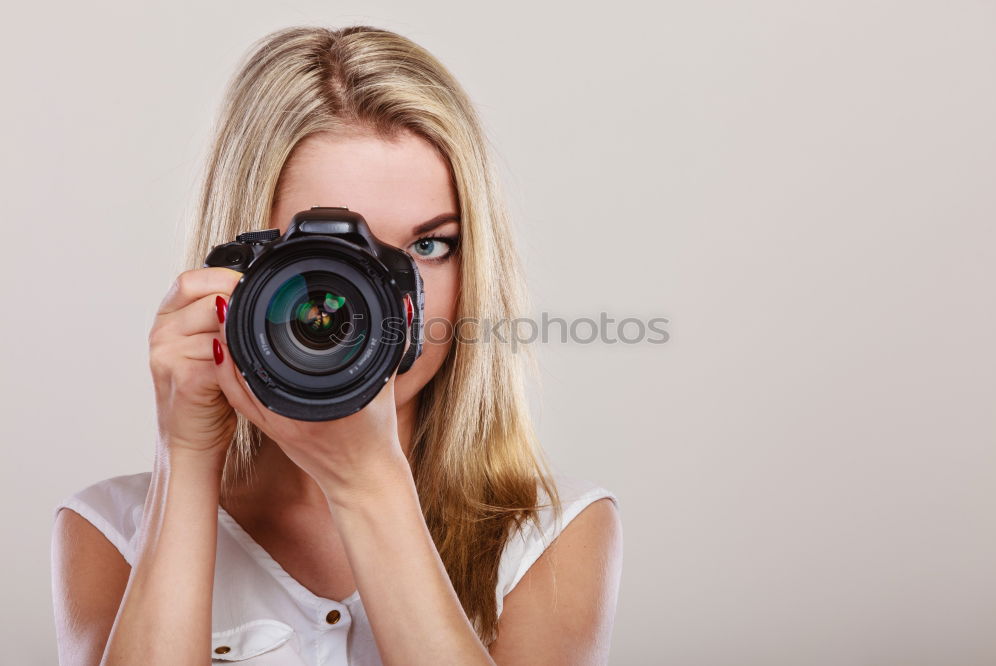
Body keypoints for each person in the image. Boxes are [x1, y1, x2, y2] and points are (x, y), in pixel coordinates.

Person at [51, 25, 622, 665]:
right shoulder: (111, 530)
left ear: (475, 265)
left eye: (429, 246)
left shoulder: (551, 531)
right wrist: (185, 456)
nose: (380, 297)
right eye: (332, 259)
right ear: (240, 268)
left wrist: (367, 486)